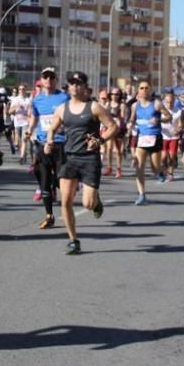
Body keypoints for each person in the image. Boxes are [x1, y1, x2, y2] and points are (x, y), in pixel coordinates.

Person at [44, 71, 117, 255]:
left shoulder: (94, 107)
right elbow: (52, 128)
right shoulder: (62, 108)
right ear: (68, 86)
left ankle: (96, 201)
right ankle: (73, 240)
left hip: (89, 159)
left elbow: (113, 126)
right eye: (72, 83)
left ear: (85, 87)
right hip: (69, 158)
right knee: (66, 201)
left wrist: (100, 140)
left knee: (87, 204)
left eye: (78, 83)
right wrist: (49, 142)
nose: (75, 86)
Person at [27, 67, 68, 229]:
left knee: (60, 179)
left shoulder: (64, 97)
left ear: (56, 80)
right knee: (43, 178)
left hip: (60, 143)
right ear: (41, 80)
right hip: (43, 144)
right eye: (46, 78)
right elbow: (35, 118)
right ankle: (49, 215)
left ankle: (64, 185)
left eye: (52, 78)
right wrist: (29, 131)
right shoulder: (37, 99)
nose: (49, 81)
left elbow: (70, 117)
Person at [128, 81, 170, 205]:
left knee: (154, 168)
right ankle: (142, 195)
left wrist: (159, 119)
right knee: (139, 168)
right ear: (138, 91)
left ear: (150, 90)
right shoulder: (135, 106)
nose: (144, 90)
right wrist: (130, 123)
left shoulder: (156, 104)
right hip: (142, 138)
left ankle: (160, 171)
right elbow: (132, 118)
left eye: (147, 88)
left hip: (155, 138)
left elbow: (169, 116)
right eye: (142, 88)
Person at [160, 89, 180, 182]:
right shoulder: (161, 110)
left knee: (172, 156)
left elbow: (181, 124)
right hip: (163, 136)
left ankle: (170, 173)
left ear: (174, 100)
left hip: (173, 137)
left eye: (171, 101)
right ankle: (164, 171)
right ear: (164, 100)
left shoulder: (178, 111)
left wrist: (179, 129)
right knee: (163, 157)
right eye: (168, 101)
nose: (170, 103)